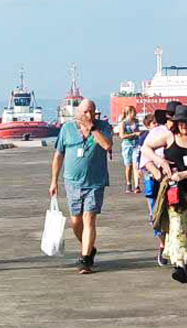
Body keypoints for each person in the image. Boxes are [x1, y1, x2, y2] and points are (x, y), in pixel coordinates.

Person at [142, 105, 187, 283]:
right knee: (177, 227)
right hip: (174, 192)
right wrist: (161, 162)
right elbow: (146, 148)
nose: (183, 126)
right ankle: (179, 265)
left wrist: (184, 175)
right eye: (180, 123)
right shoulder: (168, 136)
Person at [49, 99, 114, 274]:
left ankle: (85, 259)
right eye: (85, 112)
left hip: (95, 182)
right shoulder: (67, 129)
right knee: (76, 222)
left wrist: (92, 128)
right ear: (78, 113)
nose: (88, 115)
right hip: (72, 182)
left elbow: (107, 145)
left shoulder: (103, 127)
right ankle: (90, 248)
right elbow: (58, 155)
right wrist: (53, 181)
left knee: (89, 218)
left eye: (91, 111)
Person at [139, 101, 182, 266]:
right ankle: (163, 244)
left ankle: (178, 249)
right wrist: (158, 172)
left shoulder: (184, 132)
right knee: (156, 215)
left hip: (178, 180)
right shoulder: (157, 132)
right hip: (157, 180)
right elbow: (144, 157)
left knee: (177, 214)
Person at [118, 106, 141, 194]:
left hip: (136, 144)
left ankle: (137, 186)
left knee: (136, 165)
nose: (135, 114)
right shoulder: (123, 123)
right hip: (127, 145)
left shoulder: (136, 121)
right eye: (134, 112)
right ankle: (128, 183)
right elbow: (122, 136)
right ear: (129, 112)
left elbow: (138, 130)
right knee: (128, 166)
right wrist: (134, 133)